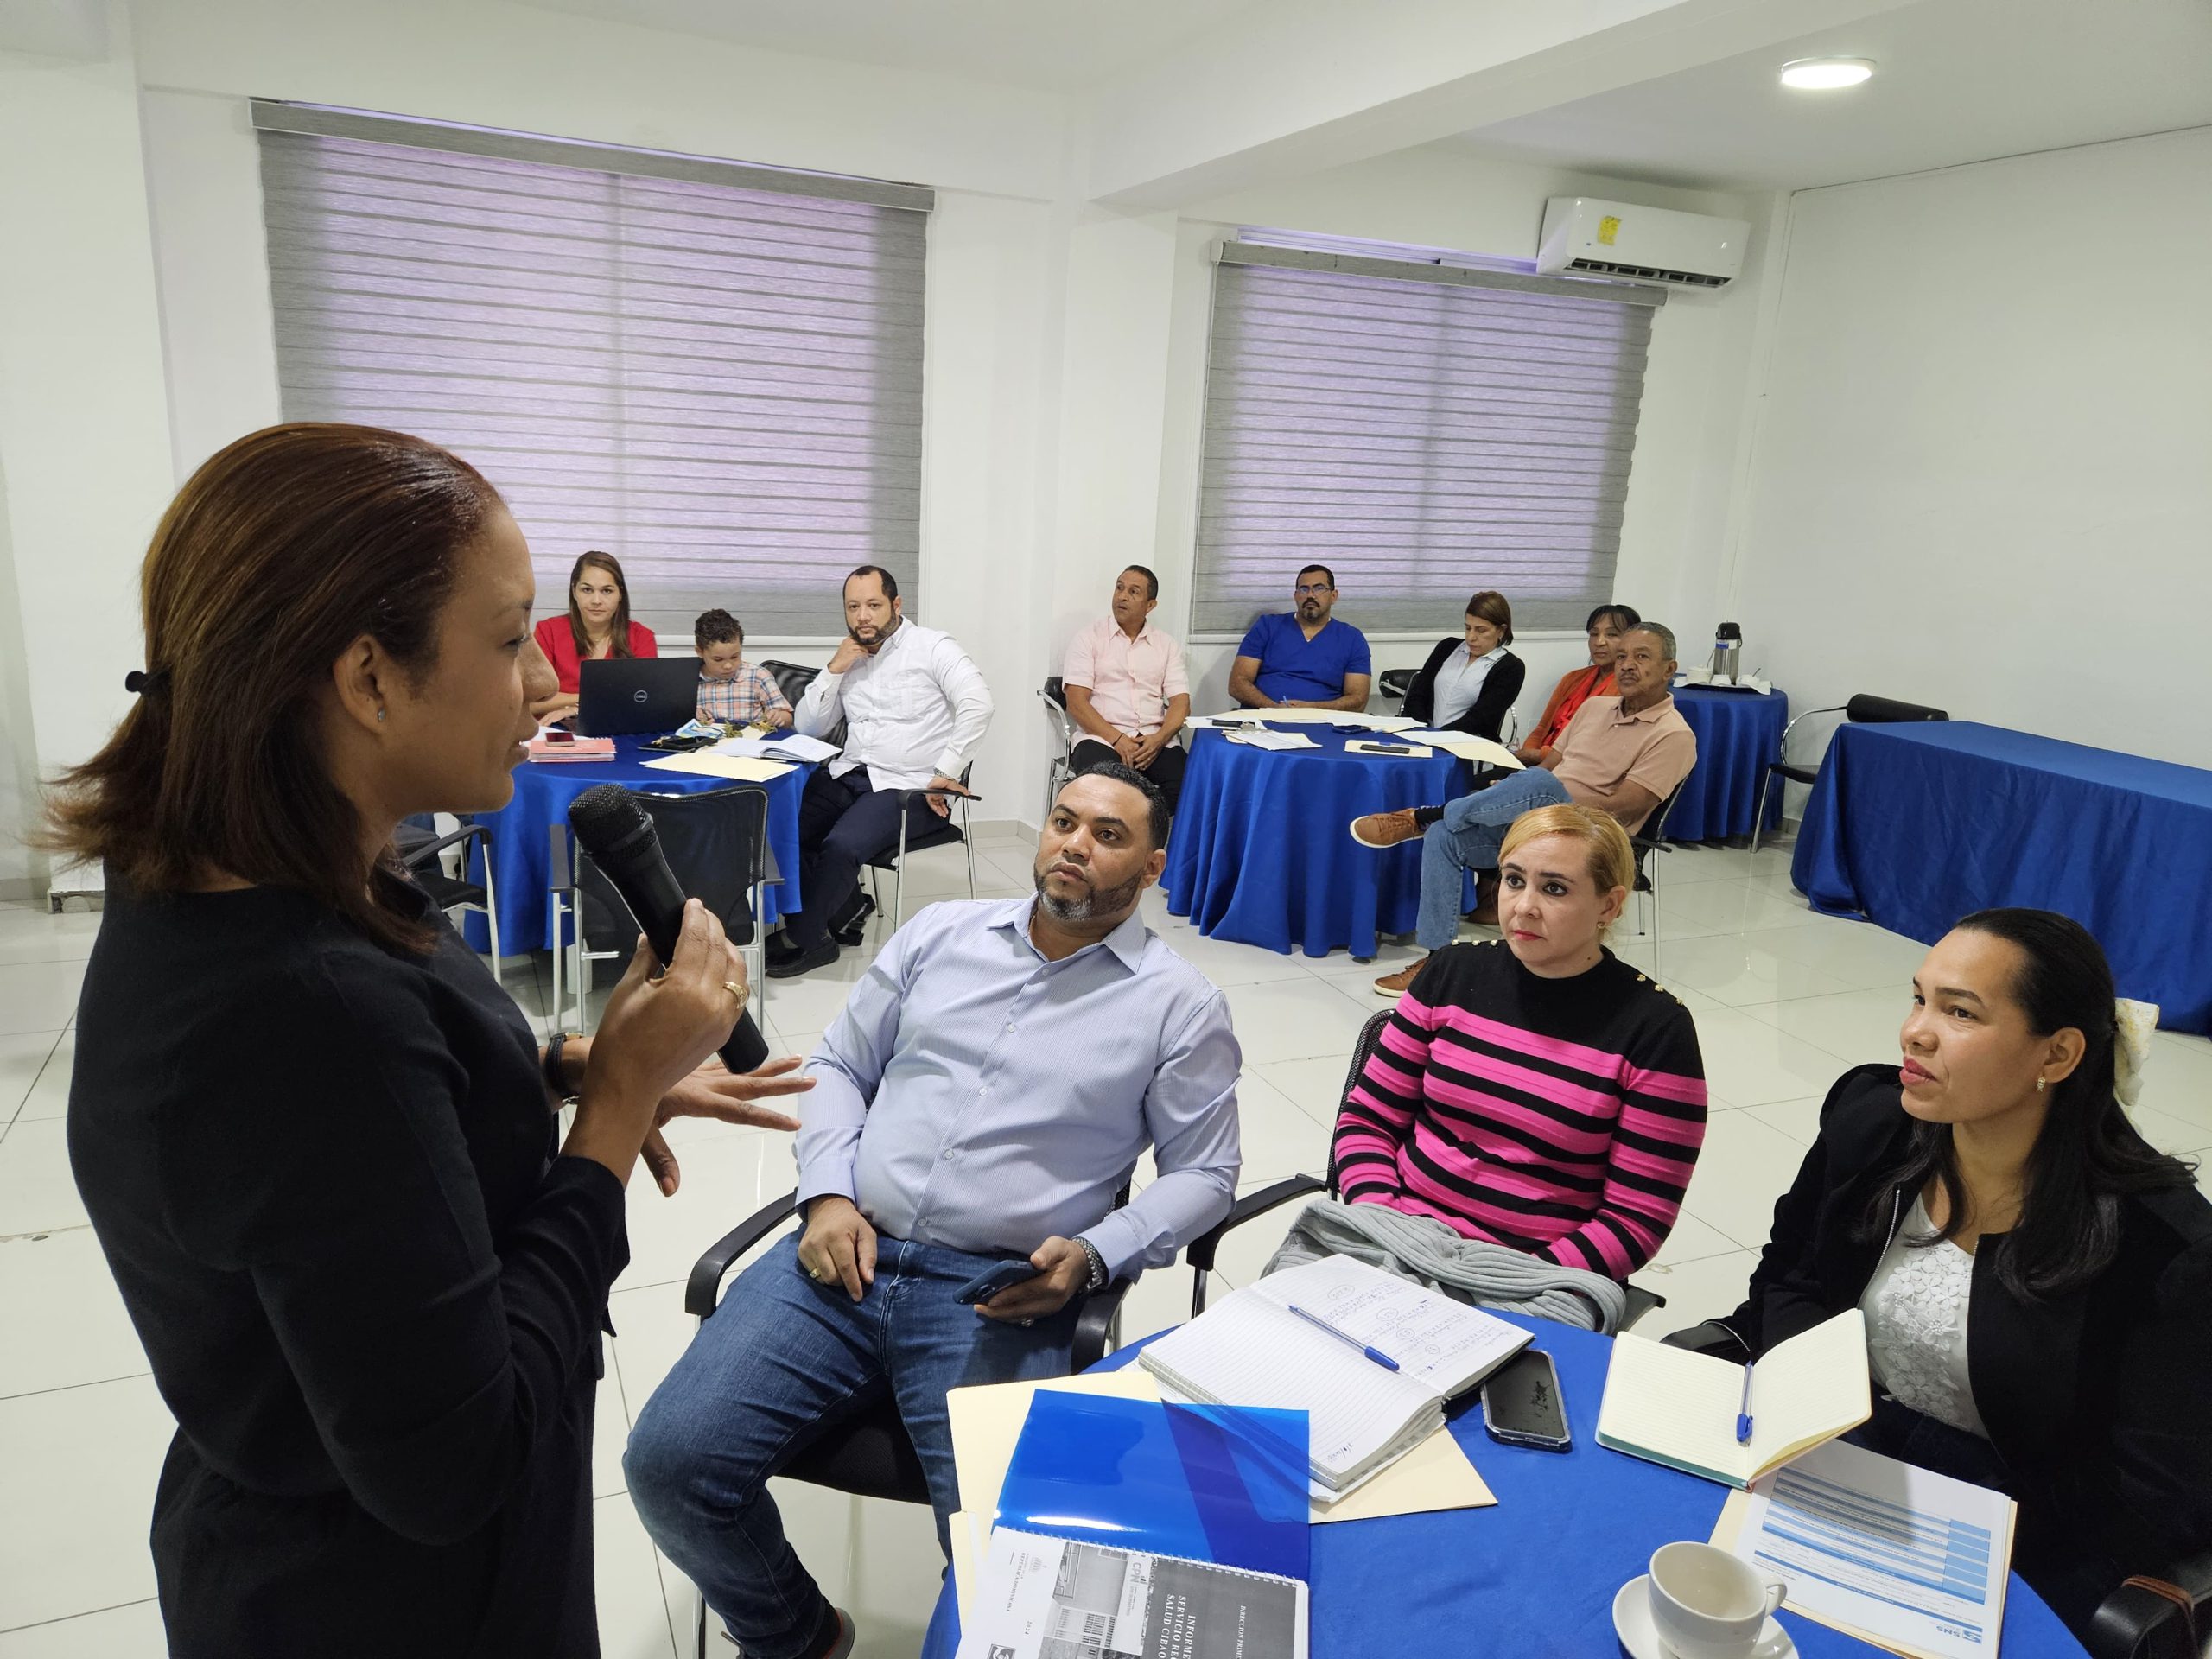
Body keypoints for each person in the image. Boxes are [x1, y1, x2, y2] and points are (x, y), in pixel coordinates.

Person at [48, 424, 813, 1658]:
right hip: (391, 1603)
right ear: (368, 678)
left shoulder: (259, 878)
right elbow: (460, 1461)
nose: (541, 687)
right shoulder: (301, 1012)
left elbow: (350, 1161)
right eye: (510, 642)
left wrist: (558, 1071)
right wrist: (611, 1112)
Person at [625, 765, 1243, 1659]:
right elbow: (838, 1068)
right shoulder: (938, 935)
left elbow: (1206, 1174)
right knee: (668, 1466)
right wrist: (829, 1195)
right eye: (1063, 820)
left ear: (1152, 868)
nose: (1073, 843)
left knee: (1010, 1561)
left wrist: (1099, 1253)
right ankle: (796, 1635)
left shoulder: (1179, 1006)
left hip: (996, 1291)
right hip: (841, 1254)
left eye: (1108, 835)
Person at [1682, 909, 2210, 1641]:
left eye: (1960, 1012)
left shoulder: (2160, 1245)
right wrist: (1812, 1413)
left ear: (2056, 1056)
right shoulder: (1874, 1122)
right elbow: (1790, 1277)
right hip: (1843, 1442)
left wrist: (1942, 1532)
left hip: (2026, 1527)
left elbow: (2154, 1495)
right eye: (1919, 998)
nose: (1916, 1031)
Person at [1262, 805, 1705, 1328]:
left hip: (1531, 1273)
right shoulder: (1452, 974)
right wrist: (1383, 1220)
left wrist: (1516, 1275)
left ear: (1609, 905)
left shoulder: (1654, 1030)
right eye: (1513, 880)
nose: (1524, 907)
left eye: (1555, 889)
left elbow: (1637, 1217)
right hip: (1393, 1231)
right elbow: (1368, 1122)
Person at [1351, 623, 1695, 996]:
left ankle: (1421, 816)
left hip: (1597, 837)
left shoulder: (1673, 734)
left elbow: (1627, 806)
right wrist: (1515, 791)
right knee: (1447, 835)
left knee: (1543, 786)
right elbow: (1549, 766)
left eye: (1642, 657)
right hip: (1538, 823)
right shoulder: (1594, 708)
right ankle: (1438, 960)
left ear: (1669, 669)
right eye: (1623, 656)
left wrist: (1543, 795)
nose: (1627, 665)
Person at [771, 565, 994, 978]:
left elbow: (978, 703)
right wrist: (833, 670)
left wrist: (945, 770)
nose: (863, 617)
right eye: (853, 607)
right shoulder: (850, 657)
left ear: (896, 605)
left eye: (873, 605)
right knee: (785, 829)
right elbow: (808, 727)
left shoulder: (933, 647)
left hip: (913, 787)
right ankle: (844, 909)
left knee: (840, 845)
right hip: (852, 773)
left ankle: (806, 938)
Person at [1062, 563, 1192, 811]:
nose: (1122, 596)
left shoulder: (1166, 645)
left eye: (1134, 592)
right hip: (1101, 738)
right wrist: (1119, 739)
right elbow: (1076, 703)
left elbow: (1180, 703)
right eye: (1119, 588)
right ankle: (1116, 844)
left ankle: (1147, 844)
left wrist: (1158, 740)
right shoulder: (1089, 638)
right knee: (1106, 790)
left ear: (1150, 605)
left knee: (1187, 786)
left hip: (1153, 740)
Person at [530, 550, 658, 722]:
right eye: (587, 590)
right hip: (559, 729)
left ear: (620, 594)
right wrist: (580, 704)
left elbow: (645, 699)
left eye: (606, 591)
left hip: (620, 727)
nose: (596, 600)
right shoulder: (548, 631)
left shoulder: (642, 637)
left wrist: (571, 708)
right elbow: (531, 702)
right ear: (574, 591)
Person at [1227, 563, 1372, 711]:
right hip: (1263, 717)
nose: (1310, 595)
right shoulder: (1267, 626)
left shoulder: (1352, 638)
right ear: (1296, 596)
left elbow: (1358, 700)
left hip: (1324, 724)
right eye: (1304, 589)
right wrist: (1274, 709)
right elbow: (1237, 683)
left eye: (1319, 588)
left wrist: (1310, 709)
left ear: (1333, 596)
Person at [1516, 602, 1639, 766]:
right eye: (1594, 634)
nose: (1599, 642)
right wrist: (1526, 758)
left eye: (1611, 635)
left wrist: (1538, 756)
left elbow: (1596, 749)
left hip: (1577, 771)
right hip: (1538, 763)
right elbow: (1541, 728)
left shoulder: (1628, 690)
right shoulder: (1572, 678)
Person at [1397, 590, 1527, 742]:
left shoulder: (1511, 668)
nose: (1471, 637)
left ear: (1501, 630)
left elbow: (1479, 719)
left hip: (1467, 744)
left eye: (1481, 630)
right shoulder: (1447, 647)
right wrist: (1422, 731)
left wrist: (1437, 738)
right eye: (1468, 628)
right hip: (1424, 737)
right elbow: (1418, 694)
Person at [693, 607, 792, 729]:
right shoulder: (688, 680)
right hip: (707, 745)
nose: (728, 665)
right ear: (700, 652)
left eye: (735, 657)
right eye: (718, 659)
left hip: (751, 743)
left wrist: (779, 717)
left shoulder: (758, 676)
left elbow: (787, 718)